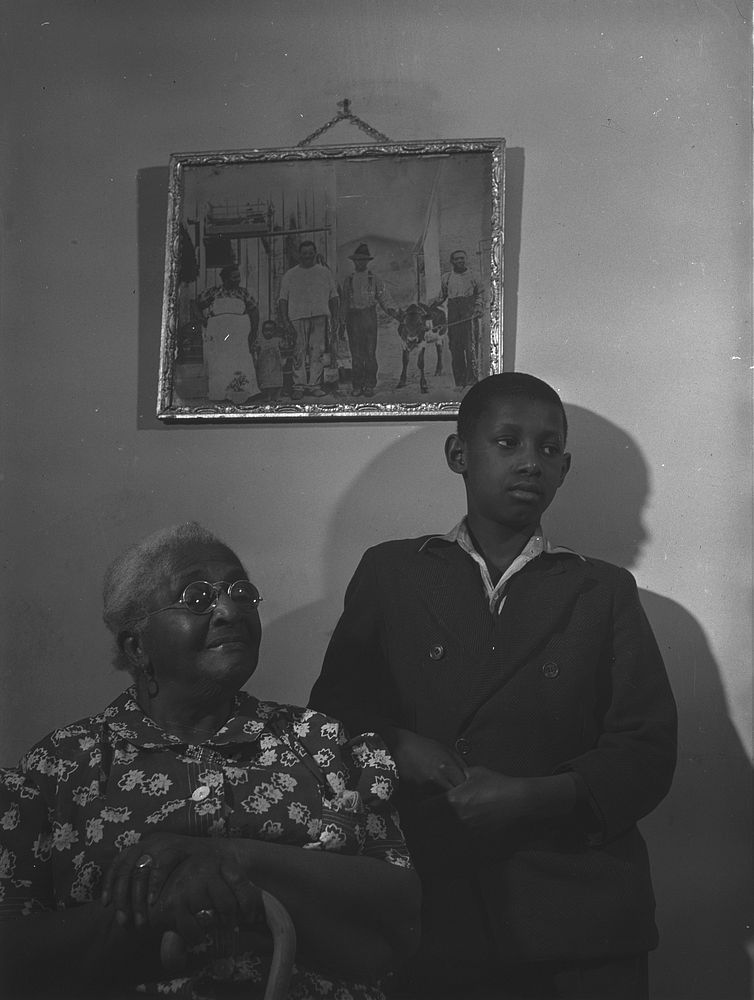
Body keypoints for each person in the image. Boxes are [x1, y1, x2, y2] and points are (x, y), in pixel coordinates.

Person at [310, 373, 678, 1000]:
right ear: (459, 455)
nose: (530, 462)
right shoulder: (394, 572)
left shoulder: (602, 590)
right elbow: (327, 725)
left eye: (548, 447)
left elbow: (646, 750)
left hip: (579, 912)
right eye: (507, 443)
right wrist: (398, 744)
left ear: (565, 468)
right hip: (429, 897)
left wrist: (535, 796)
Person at [0, 522, 420, 1000]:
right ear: (137, 647)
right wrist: (155, 909)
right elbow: (12, 954)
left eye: (241, 591)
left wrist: (230, 856)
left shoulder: (322, 742)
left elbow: (402, 906)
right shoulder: (58, 767)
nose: (229, 610)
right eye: (196, 596)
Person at [278, 241, 339, 399]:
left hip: (319, 316)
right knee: (299, 353)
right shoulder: (290, 274)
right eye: (304, 253)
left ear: (315, 252)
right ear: (299, 254)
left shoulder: (324, 272)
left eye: (310, 252)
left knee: (317, 353)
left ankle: (314, 385)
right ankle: (298, 386)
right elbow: (283, 300)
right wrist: (285, 321)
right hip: (297, 318)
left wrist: (336, 317)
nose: (307, 256)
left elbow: (334, 296)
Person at [340, 244, 398, 398]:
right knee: (356, 354)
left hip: (369, 317)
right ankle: (357, 385)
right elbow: (344, 302)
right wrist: (341, 322)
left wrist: (393, 311)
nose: (360, 263)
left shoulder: (374, 278)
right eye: (357, 260)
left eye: (363, 260)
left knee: (370, 353)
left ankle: (369, 385)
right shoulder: (348, 279)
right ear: (354, 262)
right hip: (353, 318)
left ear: (367, 261)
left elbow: (384, 298)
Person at [197, 265, 261, 402]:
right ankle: (220, 393)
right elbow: (197, 305)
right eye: (234, 277)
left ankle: (244, 392)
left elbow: (254, 312)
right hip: (218, 332)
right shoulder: (214, 292)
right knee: (220, 361)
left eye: (239, 276)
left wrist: (253, 332)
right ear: (225, 278)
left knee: (240, 359)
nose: (238, 280)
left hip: (239, 332)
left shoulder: (243, 293)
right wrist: (202, 319)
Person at [431, 250, 482, 388]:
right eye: (456, 259)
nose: (460, 261)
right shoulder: (446, 278)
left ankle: (472, 381)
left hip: (469, 314)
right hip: (454, 315)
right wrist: (430, 305)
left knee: (470, 348)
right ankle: (459, 381)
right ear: (452, 261)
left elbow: (481, 294)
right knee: (455, 348)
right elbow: (442, 297)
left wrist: (478, 307)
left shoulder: (474, 276)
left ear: (466, 259)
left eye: (462, 258)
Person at [254, 319, 286, 402]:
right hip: (264, 364)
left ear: (274, 331)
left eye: (271, 330)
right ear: (262, 331)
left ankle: (276, 397)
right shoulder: (260, 340)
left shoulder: (277, 340)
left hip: (276, 364)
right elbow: (255, 349)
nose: (268, 333)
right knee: (265, 381)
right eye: (266, 330)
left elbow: (284, 346)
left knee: (277, 380)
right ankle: (267, 396)